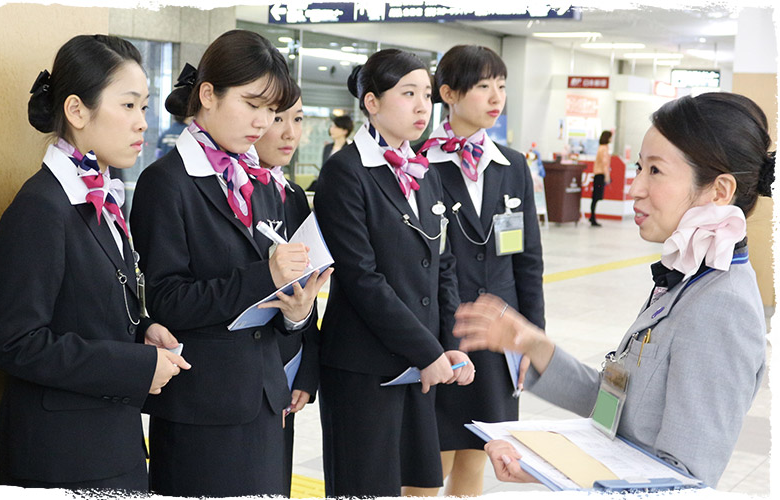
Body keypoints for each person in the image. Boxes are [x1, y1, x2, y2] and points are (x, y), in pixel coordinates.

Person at [454, 92, 770, 488]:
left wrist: (564, 476)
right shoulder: (688, 278)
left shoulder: (721, 306)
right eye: (640, 167)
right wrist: (535, 346)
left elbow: (683, 484)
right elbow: (618, 408)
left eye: (655, 171)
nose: (635, 187)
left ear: (719, 191)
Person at [129, 30, 331, 497]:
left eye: (272, 109)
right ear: (207, 94)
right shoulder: (167, 183)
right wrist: (267, 275)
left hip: (265, 398)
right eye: (253, 104)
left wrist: (297, 314)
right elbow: (165, 301)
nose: (263, 122)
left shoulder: (260, 184)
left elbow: (279, 302)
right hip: (200, 408)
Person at [0, 34, 189, 491]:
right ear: (78, 111)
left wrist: (142, 330)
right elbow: (14, 342)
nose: (143, 123)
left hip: (108, 444)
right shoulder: (41, 207)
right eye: (129, 106)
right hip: (63, 459)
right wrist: (136, 365)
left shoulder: (96, 195)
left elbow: (85, 309)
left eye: (145, 106)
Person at [313, 49, 475, 498]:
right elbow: (362, 278)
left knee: (418, 483)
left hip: (419, 363)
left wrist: (449, 346)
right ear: (372, 102)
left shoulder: (426, 172)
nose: (423, 106)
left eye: (426, 94)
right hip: (365, 368)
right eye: (408, 93)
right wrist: (427, 351)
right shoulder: (344, 174)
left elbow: (442, 264)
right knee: (367, 486)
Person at [416, 44, 544, 497]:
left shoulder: (512, 165)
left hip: (500, 339)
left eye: (502, 86)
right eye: (483, 86)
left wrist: (534, 336)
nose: (496, 97)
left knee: (480, 455)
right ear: (448, 93)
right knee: (428, 465)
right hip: (441, 337)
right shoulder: (418, 162)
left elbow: (528, 259)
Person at [253, 82, 321, 496]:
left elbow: (311, 288)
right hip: (242, 375)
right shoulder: (231, 194)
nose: (289, 132)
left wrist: (306, 372)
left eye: (297, 119)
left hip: (288, 367)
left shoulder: (293, 195)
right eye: (277, 118)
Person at [590, 130, 612, 226]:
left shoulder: (601, 147)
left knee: (595, 197)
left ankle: (592, 217)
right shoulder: (604, 149)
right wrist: (607, 176)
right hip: (600, 175)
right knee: (596, 197)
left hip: (597, 174)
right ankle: (592, 218)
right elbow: (604, 163)